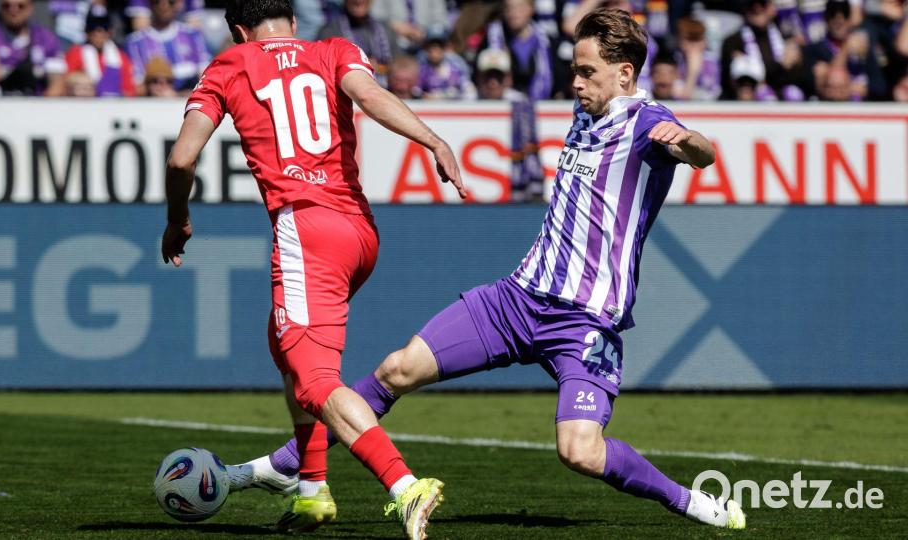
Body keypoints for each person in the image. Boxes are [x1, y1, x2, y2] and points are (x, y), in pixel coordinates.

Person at [225, 9, 747, 532]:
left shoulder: (647, 123)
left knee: (580, 451)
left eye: (587, 71)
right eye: (575, 68)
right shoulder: (585, 111)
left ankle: (687, 500)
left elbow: (697, 150)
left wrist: (689, 145)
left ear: (625, 74)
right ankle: (285, 466)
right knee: (396, 370)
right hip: (516, 301)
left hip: (585, 321)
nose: (576, 81)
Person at [161, 1, 467, 537]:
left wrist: (178, 219)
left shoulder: (230, 64)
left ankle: (404, 485)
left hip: (305, 228)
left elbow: (182, 159)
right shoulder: (334, 50)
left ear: (239, 30)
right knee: (285, 348)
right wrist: (434, 141)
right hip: (358, 231)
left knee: (314, 382)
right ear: (293, 23)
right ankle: (311, 490)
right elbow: (370, 97)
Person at [0, 0, 66, 96]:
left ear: (31, 8)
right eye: (7, 6)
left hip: (35, 103)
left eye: (20, 6)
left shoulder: (46, 38)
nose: (13, 10)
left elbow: (57, 83)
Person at [125, 0, 210, 94]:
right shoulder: (135, 42)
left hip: (190, 100)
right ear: (149, 4)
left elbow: (207, 79)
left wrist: (178, 95)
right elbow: (136, 87)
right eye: (157, 2)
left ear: (179, 4)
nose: (163, 6)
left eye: (171, 2)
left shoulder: (194, 35)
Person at [317, 0, 397, 86]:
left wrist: (380, 67)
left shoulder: (385, 29)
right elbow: (325, 68)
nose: (358, 1)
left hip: (386, 87)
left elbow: (399, 63)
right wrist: (362, 65)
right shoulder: (330, 31)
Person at [64, 6, 137, 97]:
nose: (99, 33)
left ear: (110, 31)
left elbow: (129, 90)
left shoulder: (121, 57)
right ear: (86, 31)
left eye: (104, 28)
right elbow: (66, 85)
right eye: (93, 28)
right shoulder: (75, 53)